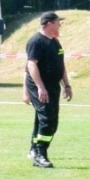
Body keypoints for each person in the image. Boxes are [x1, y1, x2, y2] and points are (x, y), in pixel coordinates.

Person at [25, 11, 73, 168]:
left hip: (53, 85)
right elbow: (31, 65)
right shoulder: (36, 41)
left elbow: (61, 65)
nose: (60, 24)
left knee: (51, 120)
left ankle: (35, 148)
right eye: (58, 22)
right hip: (40, 86)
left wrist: (67, 85)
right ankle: (40, 154)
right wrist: (40, 87)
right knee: (46, 119)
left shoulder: (55, 42)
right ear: (49, 23)